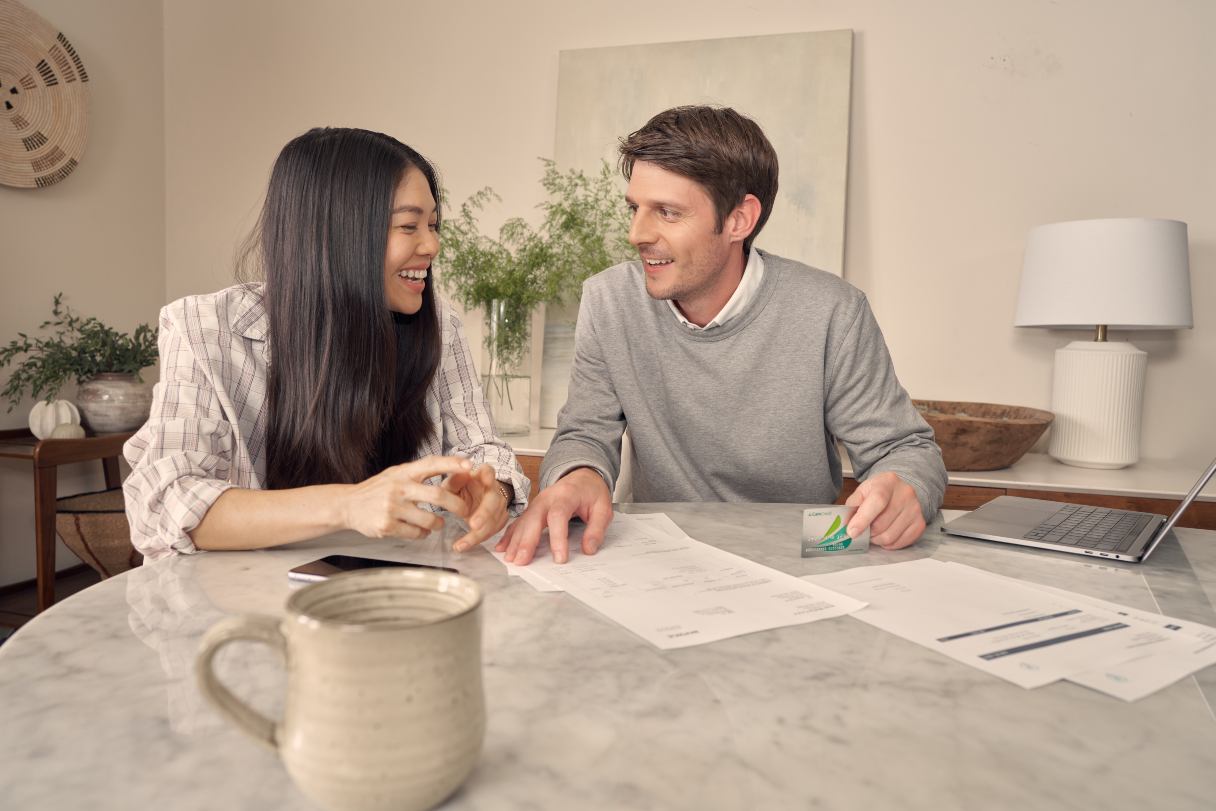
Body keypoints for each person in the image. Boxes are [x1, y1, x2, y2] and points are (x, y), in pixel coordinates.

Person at [498, 105, 946, 565]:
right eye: (635, 208)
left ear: (739, 220)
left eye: (667, 213)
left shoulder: (834, 312)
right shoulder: (609, 300)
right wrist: (579, 475)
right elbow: (585, 433)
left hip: (798, 563)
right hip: (659, 560)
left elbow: (905, 449)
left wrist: (906, 484)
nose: (637, 233)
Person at [124, 128, 529, 561]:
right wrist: (348, 505)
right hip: (241, 606)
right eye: (409, 226)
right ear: (336, 235)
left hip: (400, 592)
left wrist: (494, 492)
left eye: (432, 225)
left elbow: (485, 450)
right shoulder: (204, 329)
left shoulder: (439, 324)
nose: (432, 245)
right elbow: (166, 501)